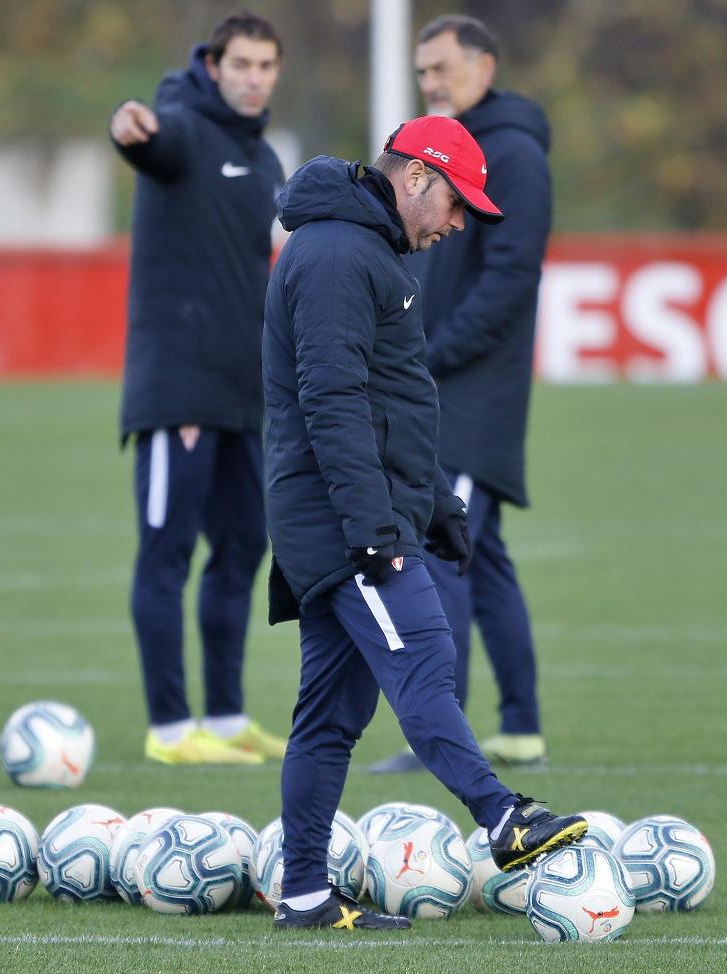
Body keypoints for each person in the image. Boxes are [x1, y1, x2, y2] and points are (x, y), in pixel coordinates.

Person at [262, 115, 587, 931]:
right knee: (425, 655)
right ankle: (504, 818)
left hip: (359, 509)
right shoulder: (337, 254)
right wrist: (376, 531)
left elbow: (392, 400)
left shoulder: (367, 251)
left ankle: (303, 895)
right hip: (342, 520)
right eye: (454, 203)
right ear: (414, 178)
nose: (456, 224)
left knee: (330, 715)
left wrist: (435, 503)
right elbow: (331, 401)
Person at [370, 14, 552, 774]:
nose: (430, 83)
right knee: (484, 554)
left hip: (470, 397)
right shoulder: (456, 153)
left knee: (443, 551)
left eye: (441, 69)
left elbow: (510, 280)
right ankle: (521, 727)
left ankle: (440, 733)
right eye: (421, 72)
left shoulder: (512, 154)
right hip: (445, 387)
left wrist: (429, 358)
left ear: (484, 65)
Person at [110, 11, 288, 766]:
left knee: (243, 549)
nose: (253, 78)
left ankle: (224, 717)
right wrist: (132, 131)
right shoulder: (181, 127)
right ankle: (170, 731)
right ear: (213, 66)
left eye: (266, 66)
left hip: (244, 395)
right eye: (241, 64)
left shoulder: (268, 159)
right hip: (178, 393)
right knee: (167, 554)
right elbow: (152, 141)